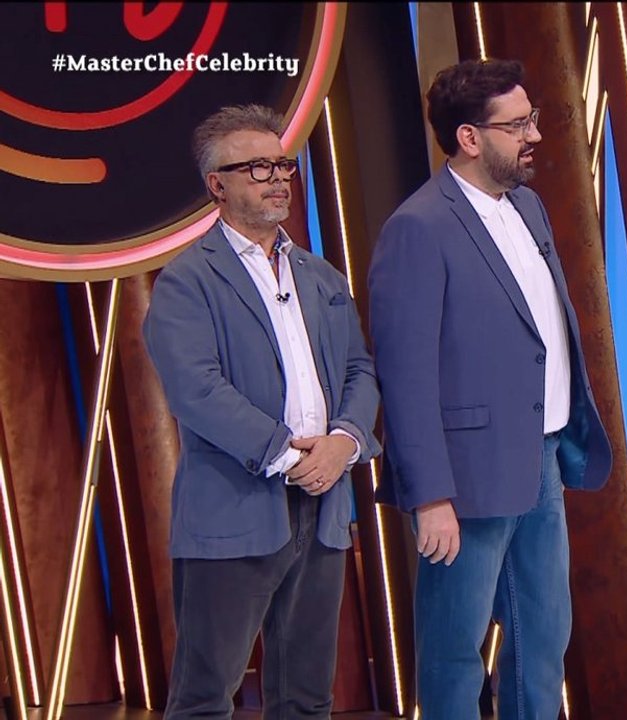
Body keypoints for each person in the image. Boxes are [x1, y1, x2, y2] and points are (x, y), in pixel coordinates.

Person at [367, 59, 612, 719]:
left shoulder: (528, 206)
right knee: (454, 646)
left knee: (543, 634)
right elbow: (406, 374)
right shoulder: (419, 227)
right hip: (465, 475)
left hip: (542, 454)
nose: (535, 135)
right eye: (518, 125)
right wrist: (431, 496)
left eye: (533, 119)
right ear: (469, 138)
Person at [143, 104, 382, 719]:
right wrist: (285, 454)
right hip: (234, 506)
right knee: (205, 697)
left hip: (324, 506)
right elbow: (196, 389)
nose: (277, 178)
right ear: (217, 185)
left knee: (306, 696)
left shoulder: (321, 276)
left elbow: (359, 370)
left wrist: (344, 442)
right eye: (256, 168)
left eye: (282, 165)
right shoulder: (187, 281)